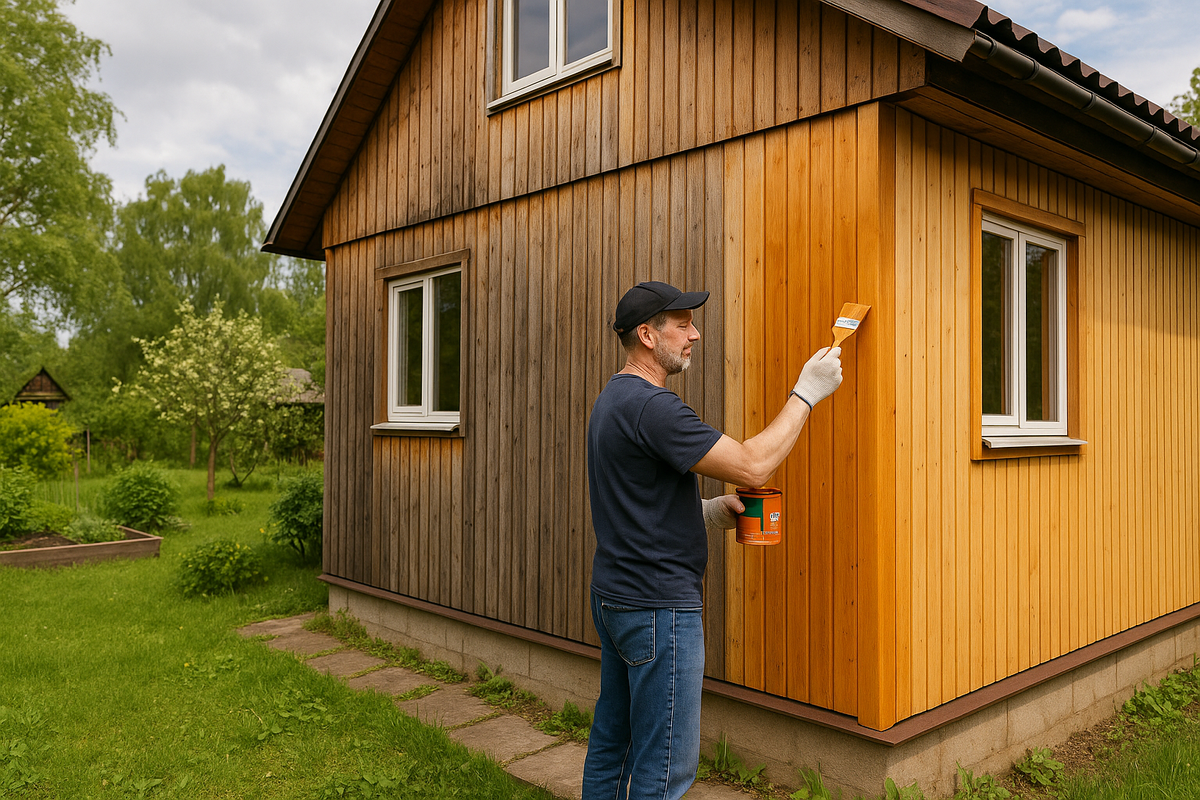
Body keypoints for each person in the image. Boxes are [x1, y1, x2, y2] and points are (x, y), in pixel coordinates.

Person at [582, 280, 844, 800]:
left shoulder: (612, 399)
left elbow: (634, 503)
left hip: (616, 598)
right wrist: (807, 392)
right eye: (682, 325)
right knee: (665, 769)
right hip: (659, 610)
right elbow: (752, 465)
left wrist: (707, 513)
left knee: (614, 743)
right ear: (647, 336)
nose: (695, 334)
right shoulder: (653, 408)